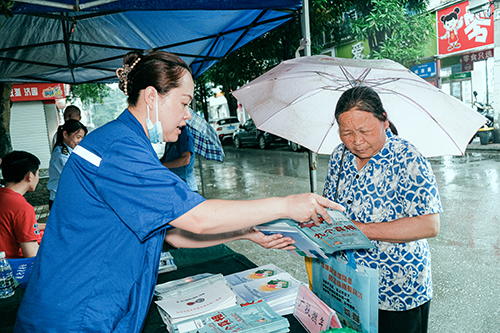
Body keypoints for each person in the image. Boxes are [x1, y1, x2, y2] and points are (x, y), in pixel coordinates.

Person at [14, 51, 343, 332]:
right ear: (152, 97)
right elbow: (198, 217)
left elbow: (172, 233)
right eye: (184, 102)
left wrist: (244, 233)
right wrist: (287, 204)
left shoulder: (125, 144)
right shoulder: (118, 149)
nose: (188, 115)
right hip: (77, 313)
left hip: (91, 306)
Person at [322, 86, 441, 333]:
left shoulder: (407, 157)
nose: (357, 141)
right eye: (347, 133)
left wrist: (361, 230)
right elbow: (330, 207)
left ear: (384, 120)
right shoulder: (339, 156)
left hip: (398, 289)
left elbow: (429, 224)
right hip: (349, 284)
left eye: (365, 131)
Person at [0, 151, 42, 259]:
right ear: (30, 176)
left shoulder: (4, 197)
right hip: (12, 267)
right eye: (38, 173)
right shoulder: (22, 207)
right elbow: (31, 254)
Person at [46, 119, 87, 209]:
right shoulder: (60, 155)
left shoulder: (71, 151)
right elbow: (76, 175)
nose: (80, 141)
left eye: (82, 138)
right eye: (78, 137)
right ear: (65, 134)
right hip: (60, 199)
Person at [160, 125, 198, 192]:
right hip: (175, 184)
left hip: (186, 187)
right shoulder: (173, 136)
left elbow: (185, 160)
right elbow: (167, 157)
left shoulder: (184, 135)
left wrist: (164, 166)